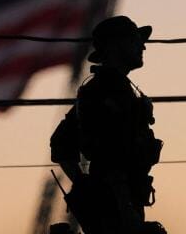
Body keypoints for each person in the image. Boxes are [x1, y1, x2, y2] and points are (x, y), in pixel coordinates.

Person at [66, 16, 164, 234]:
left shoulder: (116, 89)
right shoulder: (104, 89)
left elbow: (61, 143)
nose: (143, 46)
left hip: (125, 199)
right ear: (115, 45)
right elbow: (109, 154)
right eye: (135, 40)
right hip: (117, 205)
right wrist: (115, 200)